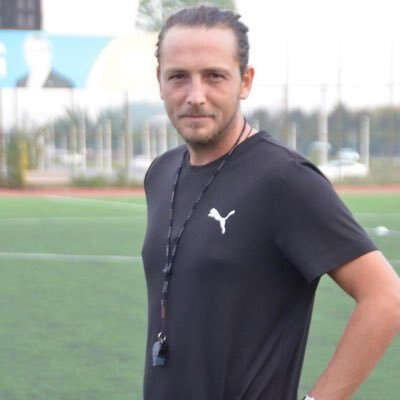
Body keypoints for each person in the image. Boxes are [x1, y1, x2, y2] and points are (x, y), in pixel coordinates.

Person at [141, 6, 400, 400]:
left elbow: (386, 297)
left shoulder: (283, 179)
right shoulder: (161, 173)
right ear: (160, 81)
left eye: (214, 76)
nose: (195, 96)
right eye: (178, 76)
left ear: (245, 81)